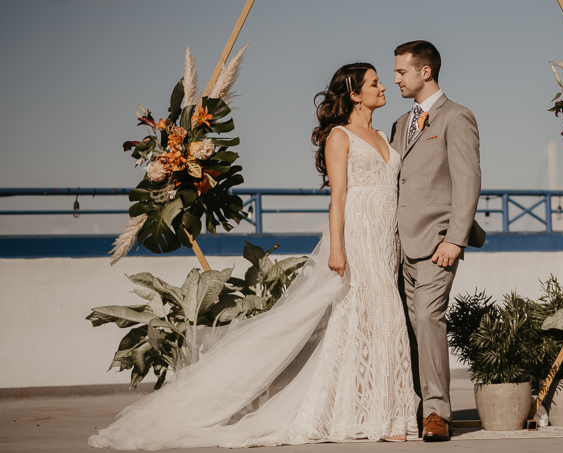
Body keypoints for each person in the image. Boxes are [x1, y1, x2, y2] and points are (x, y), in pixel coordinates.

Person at [89, 63, 417, 449]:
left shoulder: (383, 134)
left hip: (386, 240)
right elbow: (339, 196)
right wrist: (339, 247)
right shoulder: (339, 137)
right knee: (363, 319)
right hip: (357, 236)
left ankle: (386, 410)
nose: (384, 88)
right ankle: (368, 413)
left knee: (388, 319)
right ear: (355, 94)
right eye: (376, 83)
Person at [389, 40, 485, 442]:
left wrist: (455, 240)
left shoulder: (457, 117)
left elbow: (467, 181)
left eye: (401, 72)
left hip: (437, 242)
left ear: (425, 71)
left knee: (429, 319)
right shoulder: (398, 123)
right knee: (408, 327)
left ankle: (437, 413)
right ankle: (412, 406)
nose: (395, 79)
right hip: (398, 245)